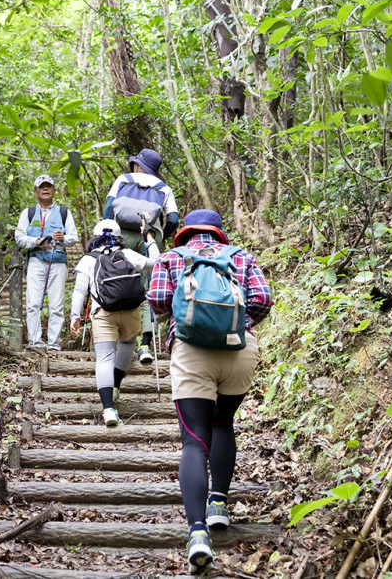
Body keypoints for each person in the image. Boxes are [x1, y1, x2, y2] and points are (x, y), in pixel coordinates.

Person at [147, 209, 272, 572]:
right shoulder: (241, 257)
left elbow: (156, 303)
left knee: (194, 440)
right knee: (222, 424)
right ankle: (218, 502)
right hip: (239, 349)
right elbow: (262, 300)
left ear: (185, 233)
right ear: (218, 233)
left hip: (191, 352)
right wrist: (236, 323)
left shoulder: (171, 258)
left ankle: (198, 533)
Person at [68, 219, 158, 427]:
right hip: (132, 310)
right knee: (126, 345)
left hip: (103, 312)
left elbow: (80, 289)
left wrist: (75, 316)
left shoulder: (88, 259)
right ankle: (116, 385)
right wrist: (149, 238)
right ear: (120, 236)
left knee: (105, 357)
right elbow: (156, 261)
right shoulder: (127, 255)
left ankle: (108, 408)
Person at [103, 149, 179, 365]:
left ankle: (121, 341)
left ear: (138, 165)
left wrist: (109, 231)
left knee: (119, 283)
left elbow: (108, 209)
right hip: (149, 238)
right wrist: (159, 234)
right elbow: (173, 219)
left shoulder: (123, 179)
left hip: (121, 236)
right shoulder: (164, 188)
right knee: (150, 290)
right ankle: (145, 345)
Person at [14, 175, 78, 350]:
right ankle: (35, 342)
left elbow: (74, 237)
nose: (45, 189)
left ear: (54, 191)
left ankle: (53, 344)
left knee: (56, 304)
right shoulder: (28, 213)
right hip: (36, 261)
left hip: (57, 262)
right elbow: (19, 236)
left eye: (48, 186)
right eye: (41, 187)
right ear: (35, 192)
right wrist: (36, 242)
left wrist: (63, 238)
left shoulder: (64, 212)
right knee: (33, 303)